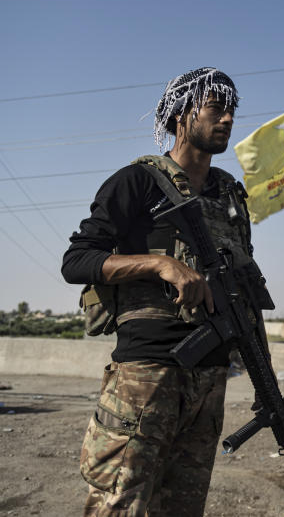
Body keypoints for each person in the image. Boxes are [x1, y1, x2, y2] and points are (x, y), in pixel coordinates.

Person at [62, 67, 250, 516]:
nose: (227, 119)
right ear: (183, 115)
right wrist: (160, 264)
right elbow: (77, 261)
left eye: (232, 110)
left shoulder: (230, 196)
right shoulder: (137, 182)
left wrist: (264, 376)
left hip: (209, 377)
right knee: (117, 504)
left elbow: (243, 288)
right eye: (215, 108)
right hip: (146, 374)